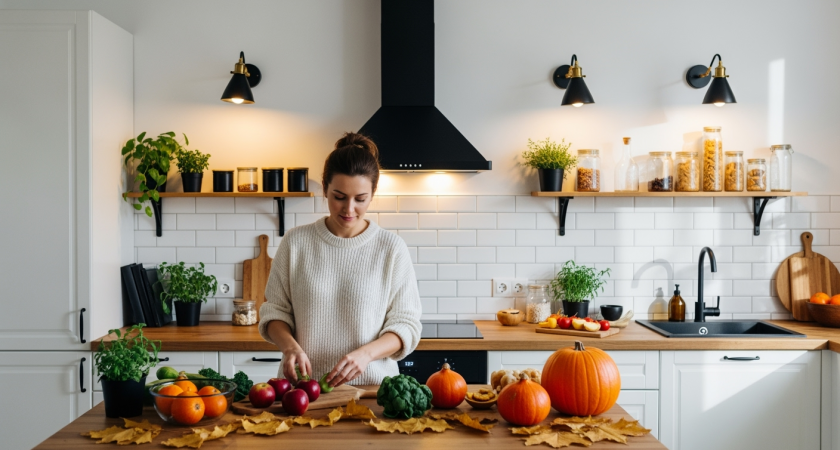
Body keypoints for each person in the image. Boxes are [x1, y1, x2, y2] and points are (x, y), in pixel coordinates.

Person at [258, 132, 422, 387]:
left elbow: (407, 326)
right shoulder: (296, 242)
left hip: (373, 392)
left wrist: (367, 354)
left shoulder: (391, 248)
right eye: (339, 196)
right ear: (324, 188)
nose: (348, 209)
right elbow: (274, 311)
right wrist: (290, 347)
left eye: (360, 199)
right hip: (302, 392)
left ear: (373, 193)